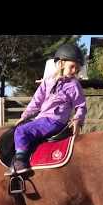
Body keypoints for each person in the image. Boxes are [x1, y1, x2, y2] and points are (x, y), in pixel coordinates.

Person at [7, 43, 87, 175]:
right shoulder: (48, 81)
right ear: (60, 64)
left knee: (21, 132)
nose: (74, 71)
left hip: (54, 121)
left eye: (77, 69)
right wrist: (24, 116)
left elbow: (81, 105)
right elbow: (36, 101)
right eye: (72, 67)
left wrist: (78, 120)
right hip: (42, 119)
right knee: (22, 127)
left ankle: (20, 161)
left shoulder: (74, 85)